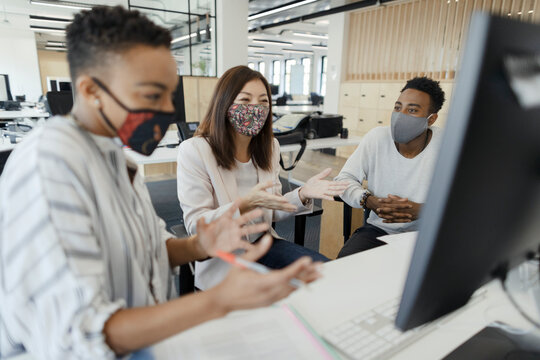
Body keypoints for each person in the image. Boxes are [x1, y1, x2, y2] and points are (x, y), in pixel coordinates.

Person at [0, 7, 321, 359]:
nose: (168, 110)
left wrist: (201, 245)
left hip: (140, 337)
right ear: (92, 90)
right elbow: (78, 333)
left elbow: (152, 245)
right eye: (153, 95)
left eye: (170, 95)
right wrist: (217, 301)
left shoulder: (115, 159)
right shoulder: (50, 166)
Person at [177, 66, 349, 290]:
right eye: (245, 100)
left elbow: (272, 209)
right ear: (225, 103)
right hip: (224, 257)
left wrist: (302, 193)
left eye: (263, 102)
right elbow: (196, 225)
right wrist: (246, 204)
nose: (255, 109)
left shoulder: (269, 146)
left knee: (328, 275)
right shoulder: (195, 150)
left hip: (265, 245)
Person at [335, 77, 446, 257]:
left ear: (431, 119)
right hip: (379, 230)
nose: (401, 115)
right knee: (344, 265)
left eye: (412, 110)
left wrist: (425, 210)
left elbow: (466, 199)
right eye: (397, 107)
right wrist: (367, 200)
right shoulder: (377, 138)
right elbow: (343, 180)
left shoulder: (447, 144)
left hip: (428, 233)